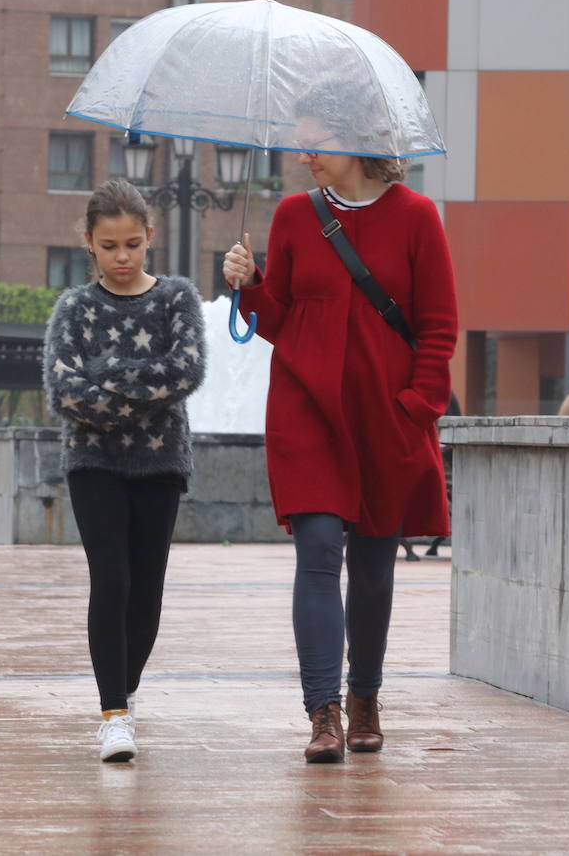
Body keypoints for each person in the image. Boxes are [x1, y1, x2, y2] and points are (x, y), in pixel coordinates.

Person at [221, 83, 458, 763]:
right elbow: (284, 321)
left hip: (386, 419)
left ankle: (364, 699)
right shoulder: (296, 217)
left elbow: (439, 330)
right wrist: (249, 285)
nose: (303, 158)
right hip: (306, 414)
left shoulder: (418, 219)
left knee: (376, 567)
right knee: (320, 550)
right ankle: (322, 712)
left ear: (356, 141)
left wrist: (415, 410)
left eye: (315, 143)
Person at [42, 178, 207, 763]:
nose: (121, 257)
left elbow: (185, 372)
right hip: (94, 465)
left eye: (132, 245)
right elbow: (63, 390)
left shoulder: (178, 299)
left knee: (147, 593)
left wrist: (105, 374)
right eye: (109, 246)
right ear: (89, 242)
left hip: (161, 464)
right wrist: (141, 384)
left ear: (149, 238)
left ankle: (127, 690)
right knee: (110, 582)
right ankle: (113, 713)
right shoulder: (74, 308)